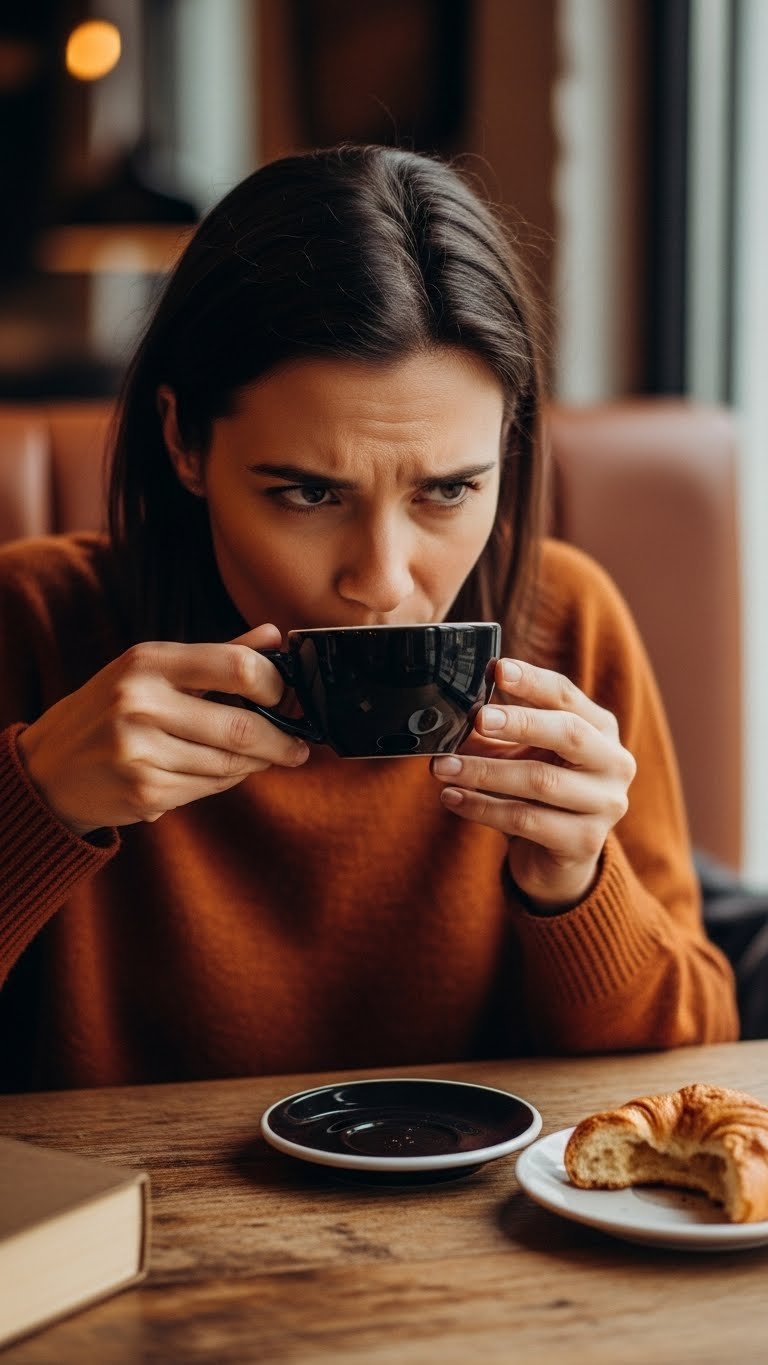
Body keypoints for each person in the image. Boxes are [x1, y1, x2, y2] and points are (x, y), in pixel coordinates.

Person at [0, 145, 738, 1092]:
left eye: (449, 490)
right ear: (183, 439)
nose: (382, 582)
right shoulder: (33, 625)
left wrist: (576, 884)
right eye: (309, 494)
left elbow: (695, 1064)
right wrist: (37, 805)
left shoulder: (567, 622)